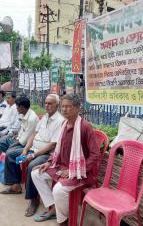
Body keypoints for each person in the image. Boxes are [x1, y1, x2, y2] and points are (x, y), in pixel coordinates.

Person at [31, 94, 99, 226]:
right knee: (36, 174)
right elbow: (58, 149)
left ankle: (63, 221)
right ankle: (53, 208)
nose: (64, 109)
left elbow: (95, 155)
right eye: (62, 106)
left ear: (77, 108)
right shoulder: (63, 124)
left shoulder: (85, 127)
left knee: (58, 190)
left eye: (68, 106)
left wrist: (73, 170)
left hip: (80, 172)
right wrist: (49, 162)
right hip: (61, 166)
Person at [0, 94, 64, 217]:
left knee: (31, 166)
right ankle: (16, 185)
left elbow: (52, 145)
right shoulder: (44, 117)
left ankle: (33, 199)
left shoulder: (60, 121)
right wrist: (26, 149)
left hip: (46, 154)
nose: (47, 105)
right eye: (46, 103)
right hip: (33, 149)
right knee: (11, 154)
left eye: (50, 103)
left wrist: (33, 155)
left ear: (57, 105)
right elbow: (34, 134)